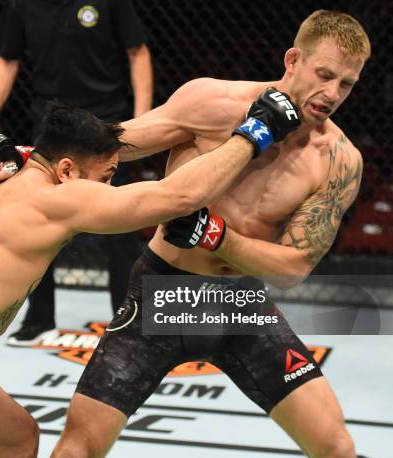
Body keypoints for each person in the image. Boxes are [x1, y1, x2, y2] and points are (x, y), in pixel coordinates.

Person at [0, 97, 299, 457]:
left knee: (18, 439)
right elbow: (178, 197)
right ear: (67, 170)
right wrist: (257, 130)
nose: (108, 189)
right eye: (107, 176)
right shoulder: (54, 201)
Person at [49, 10, 369, 458]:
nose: (332, 94)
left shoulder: (338, 160)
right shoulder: (212, 103)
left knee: (337, 447)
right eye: (325, 75)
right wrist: (22, 156)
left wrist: (214, 235)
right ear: (293, 60)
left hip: (240, 306)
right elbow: (106, 148)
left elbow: (293, 268)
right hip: (164, 293)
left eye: (347, 84)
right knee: (76, 448)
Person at [0, 0, 154, 345]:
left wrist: (143, 118)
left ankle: (127, 318)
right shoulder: (22, 6)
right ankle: (40, 317)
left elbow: (138, 52)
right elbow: (7, 59)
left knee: (118, 222)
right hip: (51, 126)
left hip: (104, 120)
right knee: (35, 220)